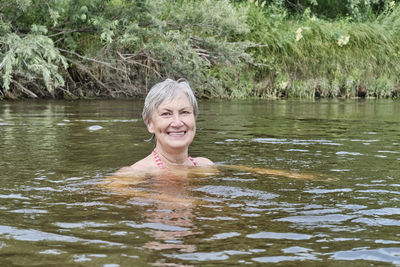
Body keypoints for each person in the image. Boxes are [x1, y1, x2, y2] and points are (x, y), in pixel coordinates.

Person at [117, 78, 214, 177]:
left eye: (184, 112)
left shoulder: (206, 166)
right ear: (150, 124)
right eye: (166, 114)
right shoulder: (133, 174)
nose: (177, 123)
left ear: (194, 118)